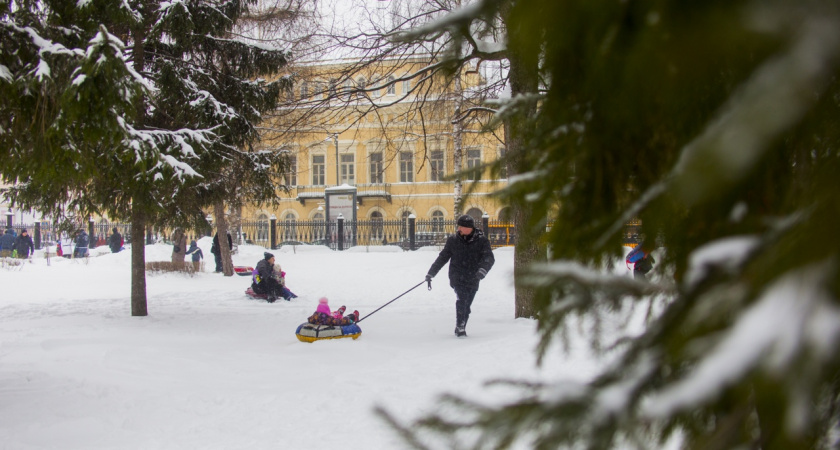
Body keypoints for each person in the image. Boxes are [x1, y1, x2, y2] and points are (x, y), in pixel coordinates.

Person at [425, 214, 495, 337]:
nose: (459, 229)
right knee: (461, 299)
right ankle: (460, 326)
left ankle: (461, 324)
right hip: (457, 276)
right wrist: (431, 273)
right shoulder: (453, 241)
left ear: (469, 228)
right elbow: (443, 257)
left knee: (467, 304)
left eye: (461, 227)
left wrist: (482, 270)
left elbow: (489, 258)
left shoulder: (482, 241)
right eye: (459, 227)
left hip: (474, 277)